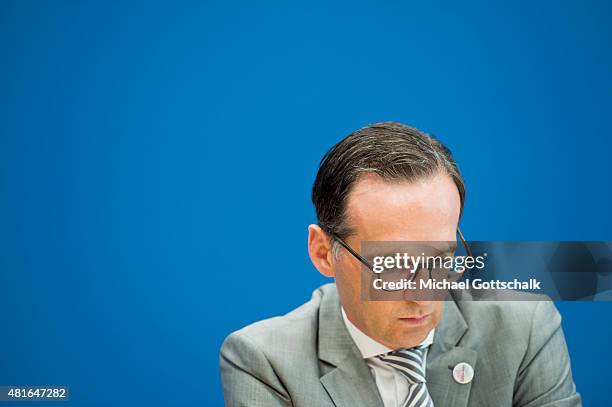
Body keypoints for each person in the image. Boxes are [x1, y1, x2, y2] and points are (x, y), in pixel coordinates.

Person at [220, 122, 581, 406]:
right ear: (323, 252)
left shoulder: (525, 324)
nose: (423, 295)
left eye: (441, 258)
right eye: (392, 265)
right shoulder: (263, 360)